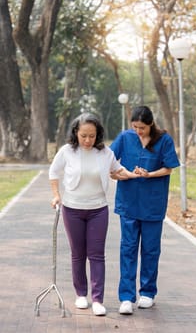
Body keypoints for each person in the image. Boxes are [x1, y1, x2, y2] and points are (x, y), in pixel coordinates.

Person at [49, 113, 137, 316]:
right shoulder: (67, 151)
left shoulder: (105, 153)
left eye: (92, 136)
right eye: (84, 136)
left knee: (97, 255)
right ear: (76, 134)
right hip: (72, 209)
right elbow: (53, 173)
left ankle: (97, 299)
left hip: (98, 209)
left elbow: (119, 171)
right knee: (78, 254)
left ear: (98, 135)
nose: (88, 140)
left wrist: (135, 174)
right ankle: (81, 294)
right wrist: (56, 195)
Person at [110, 105, 180, 315]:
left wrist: (149, 174)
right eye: (135, 127)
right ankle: (126, 297)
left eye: (142, 127)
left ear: (150, 124)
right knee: (128, 249)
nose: (138, 131)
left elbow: (168, 168)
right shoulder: (124, 138)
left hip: (152, 204)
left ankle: (148, 293)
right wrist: (118, 174)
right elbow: (110, 162)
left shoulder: (164, 140)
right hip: (129, 203)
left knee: (150, 250)